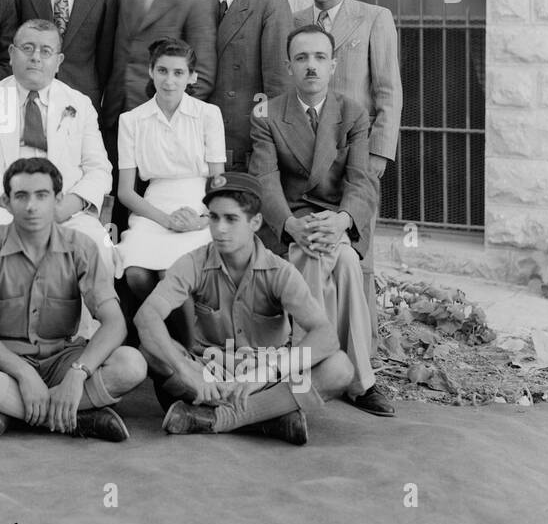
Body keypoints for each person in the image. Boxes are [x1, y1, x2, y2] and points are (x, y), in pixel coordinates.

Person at [133, 173, 356, 446]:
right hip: (208, 377)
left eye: (231, 219)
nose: (220, 229)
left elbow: (325, 336)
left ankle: (219, 419)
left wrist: (266, 373)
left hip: (266, 378)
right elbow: (147, 317)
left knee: (340, 368)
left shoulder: (279, 272)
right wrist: (187, 371)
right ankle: (271, 416)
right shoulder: (194, 262)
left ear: (255, 222)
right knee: (152, 353)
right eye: (213, 218)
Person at [248, 24, 394, 417]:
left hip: (334, 219)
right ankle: (310, 370)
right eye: (301, 58)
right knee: (313, 257)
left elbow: (361, 179)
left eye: (318, 58)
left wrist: (344, 220)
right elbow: (265, 179)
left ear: (332, 65)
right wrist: (291, 226)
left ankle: (361, 382)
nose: (310, 66)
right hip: (291, 220)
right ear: (289, 66)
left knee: (346, 259)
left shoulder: (352, 112)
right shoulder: (268, 115)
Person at [0, 158, 146, 440]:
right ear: (6, 202)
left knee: (132, 364)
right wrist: (23, 374)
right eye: (21, 196)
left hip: (63, 361)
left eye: (42, 196)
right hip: (5, 363)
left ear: (58, 200)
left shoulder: (82, 247)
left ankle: (13, 411)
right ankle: (72, 416)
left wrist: (78, 374)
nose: (32, 206)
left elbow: (115, 323)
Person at [295, 0, 404, 363]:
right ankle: (318, 349)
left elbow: (388, 92)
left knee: (359, 252)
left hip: (357, 156)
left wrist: (378, 156)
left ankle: (365, 354)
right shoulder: (297, 19)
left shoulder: (374, 18)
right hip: (309, 161)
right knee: (316, 250)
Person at [0, 20, 113, 269]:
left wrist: (67, 205)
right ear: (11, 54)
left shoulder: (80, 104)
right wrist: (12, 201)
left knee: (98, 247)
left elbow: (99, 169)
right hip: (0, 208)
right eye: (27, 48)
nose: (36, 58)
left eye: (45, 51)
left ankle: (82, 309)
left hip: (64, 211)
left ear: (59, 61)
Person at [115, 38, 226, 306]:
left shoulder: (208, 115)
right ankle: (161, 334)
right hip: (151, 211)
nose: (169, 81)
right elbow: (126, 192)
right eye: (162, 71)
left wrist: (203, 220)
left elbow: (219, 182)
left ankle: (186, 345)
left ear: (192, 77)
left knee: (172, 274)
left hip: (199, 207)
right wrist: (165, 220)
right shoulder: (131, 120)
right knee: (136, 275)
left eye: (179, 73)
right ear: (151, 71)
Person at [205, 0, 293, 171]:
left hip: (247, 144)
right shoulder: (200, 5)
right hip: (202, 140)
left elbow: (279, 86)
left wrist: (269, 148)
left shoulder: (269, 4)